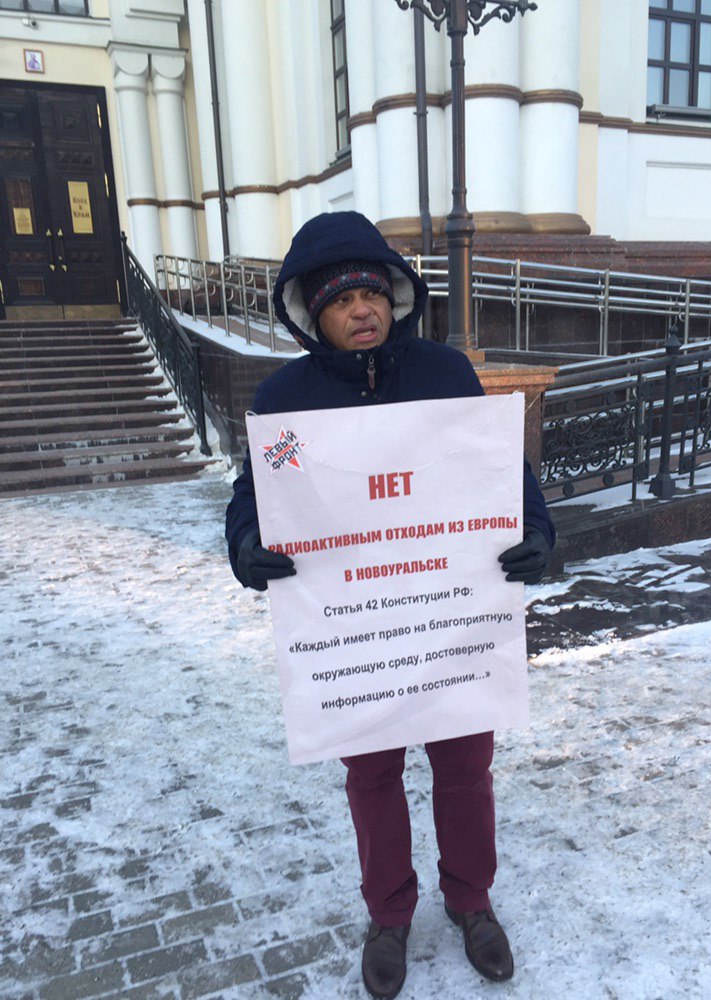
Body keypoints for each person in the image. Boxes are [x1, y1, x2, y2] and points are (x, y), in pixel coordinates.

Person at [225, 210, 555, 999]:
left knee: (465, 767)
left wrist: (537, 530)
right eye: (341, 300)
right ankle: (389, 913)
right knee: (371, 775)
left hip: (449, 619)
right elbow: (252, 495)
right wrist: (246, 544)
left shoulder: (445, 373)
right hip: (355, 635)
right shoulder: (286, 399)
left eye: (371, 293)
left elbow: (502, 471)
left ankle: (470, 900)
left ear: (395, 296)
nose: (361, 310)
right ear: (313, 314)